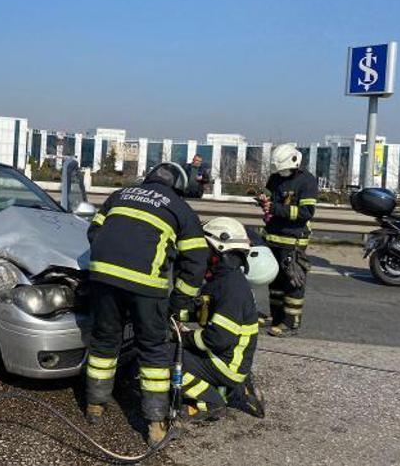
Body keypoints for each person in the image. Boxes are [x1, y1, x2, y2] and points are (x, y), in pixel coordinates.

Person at [84, 162, 208, 445]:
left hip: (103, 278)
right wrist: (178, 303)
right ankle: (155, 425)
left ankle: (94, 406)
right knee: (153, 350)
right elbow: (196, 260)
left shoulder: (120, 194)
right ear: (179, 184)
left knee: (104, 341)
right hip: (147, 285)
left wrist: (110, 263)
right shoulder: (180, 208)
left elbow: (94, 232)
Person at [176, 217, 266, 422]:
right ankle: (231, 390)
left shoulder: (230, 288)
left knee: (163, 357)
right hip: (227, 358)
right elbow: (200, 312)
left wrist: (182, 336)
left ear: (218, 249)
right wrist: (170, 314)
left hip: (226, 364)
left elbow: (218, 339)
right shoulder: (224, 279)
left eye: (204, 247)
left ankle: (210, 402)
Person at [257, 143, 318, 337]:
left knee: (292, 282)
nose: (281, 174)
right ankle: (276, 317)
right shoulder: (276, 176)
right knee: (274, 282)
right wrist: (263, 197)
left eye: (284, 170)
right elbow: (269, 192)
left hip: (293, 241)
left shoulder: (307, 182)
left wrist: (275, 209)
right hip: (273, 238)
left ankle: (291, 323)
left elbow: (306, 212)